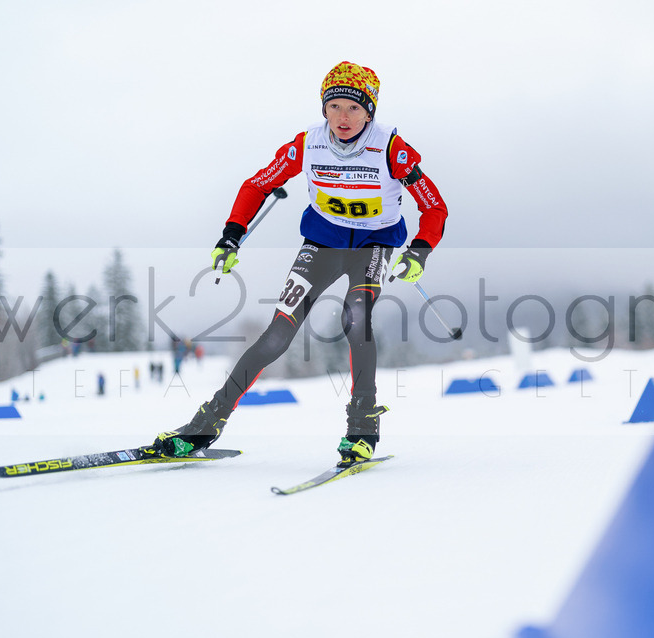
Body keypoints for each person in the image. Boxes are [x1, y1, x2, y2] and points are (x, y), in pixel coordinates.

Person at [145, 61, 447, 467]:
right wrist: (231, 235)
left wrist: (419, 250)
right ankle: (204, 425)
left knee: (356, 316)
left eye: (354, 108)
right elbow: (258, 184)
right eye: (335, 106)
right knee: (276, 336)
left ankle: (362, 430)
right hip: (321, 244)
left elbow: (434, 206)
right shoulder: (307, 144)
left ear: (370, 112)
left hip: (373, 246)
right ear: (323, 108)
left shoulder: (392, 149)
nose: (343, 117)